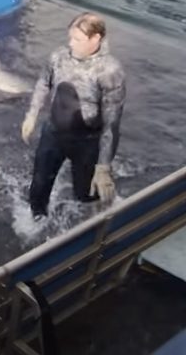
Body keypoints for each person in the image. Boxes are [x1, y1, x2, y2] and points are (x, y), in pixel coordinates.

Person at [21, 12, 126, 218]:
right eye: (70, 37)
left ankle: (98, 224)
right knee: (38, 187)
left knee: (84, 196)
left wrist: (103, 167)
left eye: (77, 39)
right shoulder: (59, 56)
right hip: (53, 133)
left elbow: (111, 124)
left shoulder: (110, 71)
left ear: (95, 39)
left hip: (87, 142)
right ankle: (36, 228)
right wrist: (31, 115)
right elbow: (43, 83)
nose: (70, 44)